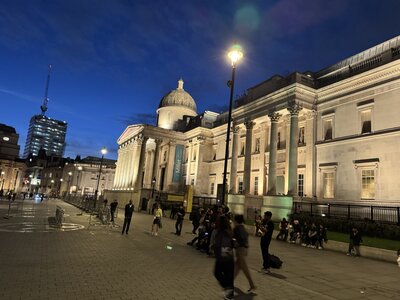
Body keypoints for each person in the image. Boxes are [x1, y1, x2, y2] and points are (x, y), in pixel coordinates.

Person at [213, 215, 234, 300]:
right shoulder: (229, 231)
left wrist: (215, 249)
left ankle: (228, 289)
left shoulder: (223, 232)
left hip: (223, 257)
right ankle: (229, 292)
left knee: (218, 273)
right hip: (229, 257)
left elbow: (222, 244)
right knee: (228, 275)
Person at [233, 214, 256, 294]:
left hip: (240, 250)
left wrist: (237, 243)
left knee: (244, 268)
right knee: (237, 267)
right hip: (244, 249)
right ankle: (230, 282)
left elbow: (239, 238)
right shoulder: (242, 227)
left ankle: (252, 285)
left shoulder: (237, 228)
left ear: (236, 220)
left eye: (234, 220)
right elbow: (245, 237)